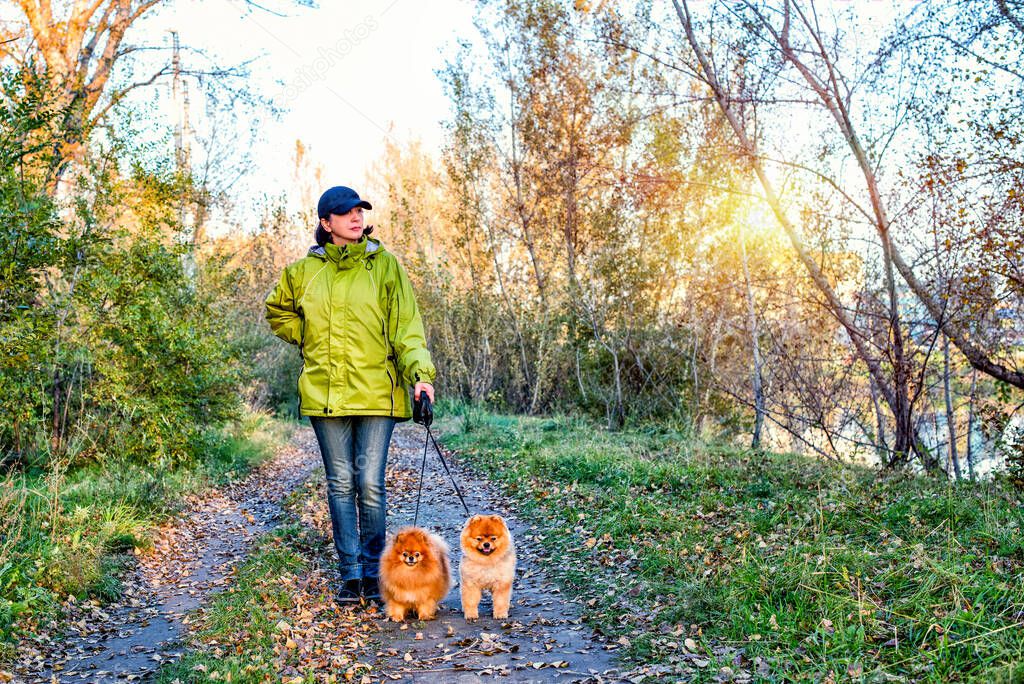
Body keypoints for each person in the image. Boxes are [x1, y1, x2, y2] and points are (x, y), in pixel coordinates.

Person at [265, 185, 436, 603]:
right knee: (340, 483)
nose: (356, 217)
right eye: (345, 213)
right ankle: (350, 575)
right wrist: (305, 336)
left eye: (359, 210)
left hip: (378, 392)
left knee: (370, 484)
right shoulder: (303, 273)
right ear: (327, 223)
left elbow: (406, 327)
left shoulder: (385, 267)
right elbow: (277, 310)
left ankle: (377, 574)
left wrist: (420, 375)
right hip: (326, 395)